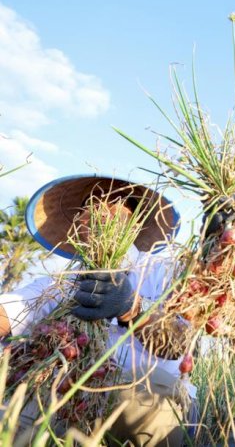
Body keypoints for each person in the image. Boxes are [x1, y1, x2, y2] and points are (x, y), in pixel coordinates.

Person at [0, 175, 193, 446]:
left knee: (140, 396)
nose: (98, 209)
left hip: (151, 402)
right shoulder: (59, 285)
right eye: (89, 204)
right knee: (17, 405)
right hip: (75, 400)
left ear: (135, 220)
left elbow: (179, 345)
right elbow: (10, 310)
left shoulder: (164, 271)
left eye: (115, 201)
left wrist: (130, 309)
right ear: (78, 225)